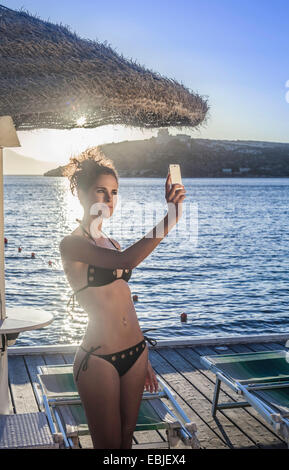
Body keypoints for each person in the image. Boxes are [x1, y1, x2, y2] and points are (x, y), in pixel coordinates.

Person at [59, 147, 186, 449]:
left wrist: (144, 355)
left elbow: (124, 301)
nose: (108, 200)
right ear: (81, 194)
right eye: (100, 191)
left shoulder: (111, 242)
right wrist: (173, 215)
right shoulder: (71, 244)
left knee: (127, 441)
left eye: (113, 193)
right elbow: (128, 261)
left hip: (136, 354)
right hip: (99, 360)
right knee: (109, 448)